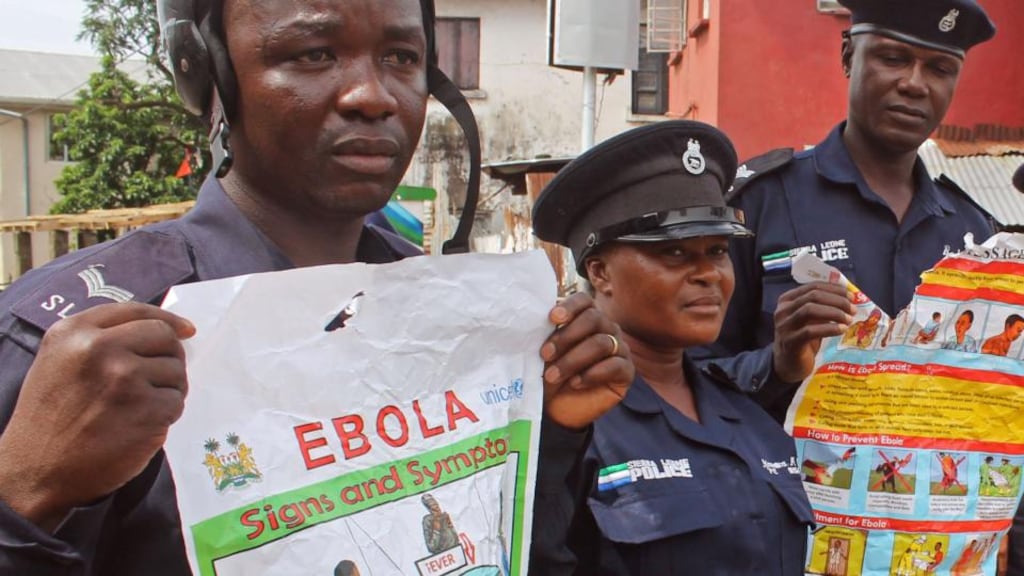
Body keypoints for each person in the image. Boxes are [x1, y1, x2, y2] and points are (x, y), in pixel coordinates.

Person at [0, 1, 634, 573]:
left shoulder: (452, 314)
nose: (372, 95)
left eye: (401, 58)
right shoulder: (71, 342)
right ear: (211, 76)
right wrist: (27, 492)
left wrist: (550, 434)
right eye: (313, 54)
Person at [528, 120, 816, 575]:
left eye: (718, 251)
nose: (708, 274)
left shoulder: (745, 410)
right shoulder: (566, 422)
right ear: (600, 272)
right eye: (676, 254)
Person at [693, 0, 998, 421]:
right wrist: (777, 366)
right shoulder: (756, 204)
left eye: (940, 69)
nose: (914, 84)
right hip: (788, 484)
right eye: (893, 58)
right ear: (848, 57)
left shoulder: (975, 232)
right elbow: (684, 378)